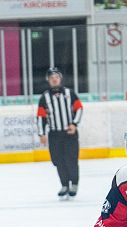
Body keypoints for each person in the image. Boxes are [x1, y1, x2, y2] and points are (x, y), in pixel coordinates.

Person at [37, 67, 83, 199]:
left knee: (71, 159)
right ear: (48, 80)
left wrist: (74, 124)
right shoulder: (44, 97)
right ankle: (64, 185)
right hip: (54, 134)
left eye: (56, 77)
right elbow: (41, 117)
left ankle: (73, 184)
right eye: (51, 78)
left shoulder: (70, 93)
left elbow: (79, 108)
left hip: (69, 133)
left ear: (60, 78)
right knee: (58, 160)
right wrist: (41, 134)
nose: (54, 79)